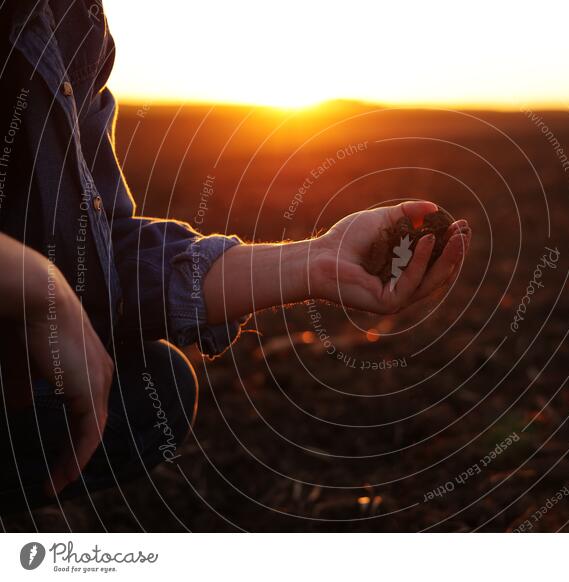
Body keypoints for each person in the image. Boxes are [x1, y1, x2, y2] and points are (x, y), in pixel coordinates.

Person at [0, 0, 470, 512]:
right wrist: (30, 280)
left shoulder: (70, 22)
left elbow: (96, 260)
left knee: (151, 391)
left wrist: (315, 261)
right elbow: (55, 282)